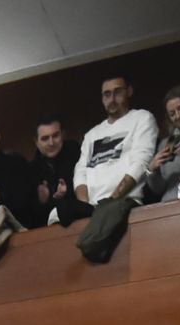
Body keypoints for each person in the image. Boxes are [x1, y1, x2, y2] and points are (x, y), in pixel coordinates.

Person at [68, 74, 160, 221]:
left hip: (125, 203)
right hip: (93, 210)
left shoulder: (142, 118)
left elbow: (140, 163)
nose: (112, 99)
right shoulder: (92, 134)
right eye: (107, 94)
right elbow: (80, 172)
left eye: (117, 92)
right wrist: (85, 207)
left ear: (129, 91)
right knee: (56, 215)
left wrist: (111, 201)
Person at [27, 117, 82, 227]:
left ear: (63, 135)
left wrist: (66, 193)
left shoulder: (76, 153)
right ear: (36, 142)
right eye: (45, 138)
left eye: (55, 136)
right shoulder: (31, 171)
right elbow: (31, 218)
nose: (51, 143)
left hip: (81, 221)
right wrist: (46, 201)